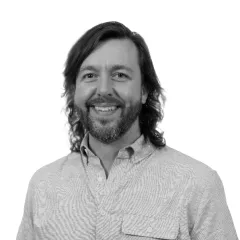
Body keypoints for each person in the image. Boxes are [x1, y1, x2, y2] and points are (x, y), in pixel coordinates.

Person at [17, 21, 238, 240]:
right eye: (89, 76)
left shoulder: (198, 185)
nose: (103, 89)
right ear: (74, 91)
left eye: (120, 75)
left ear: (144, 91)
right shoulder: (42, 185)